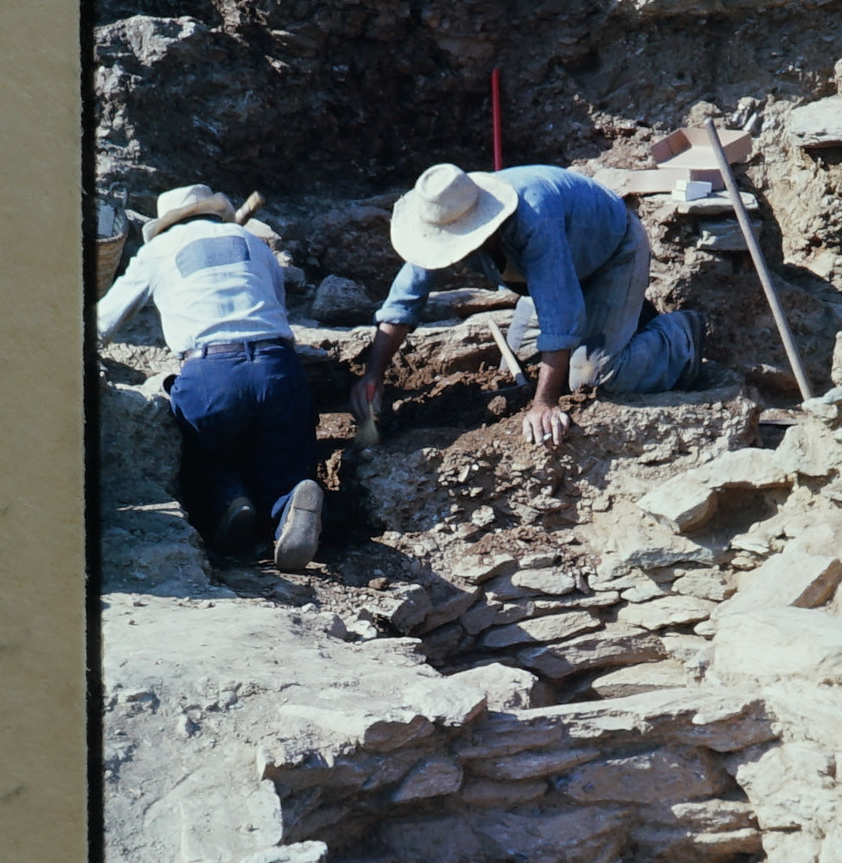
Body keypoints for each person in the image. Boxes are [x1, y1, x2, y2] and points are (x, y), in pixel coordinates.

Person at [353, 163, 702, 449]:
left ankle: (679, 337)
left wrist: (545, 404)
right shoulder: (444, 215)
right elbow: (404, 300)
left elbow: (559, 317)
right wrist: (373, 375)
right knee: (522, 364)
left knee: (593, 377)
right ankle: (624, 324)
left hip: (612, 255)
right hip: (561, 267)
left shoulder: (533, 219)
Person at [97, 183, 325, 569]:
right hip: (277, 366)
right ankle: (289, 505)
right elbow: (277, 308)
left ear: (166, 223)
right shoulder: (253, 243)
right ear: (212, 211)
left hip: (211, 372)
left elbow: (102, 323)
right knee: (284, 456)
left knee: (206, 454)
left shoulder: (156, 250)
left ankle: (228, 501)